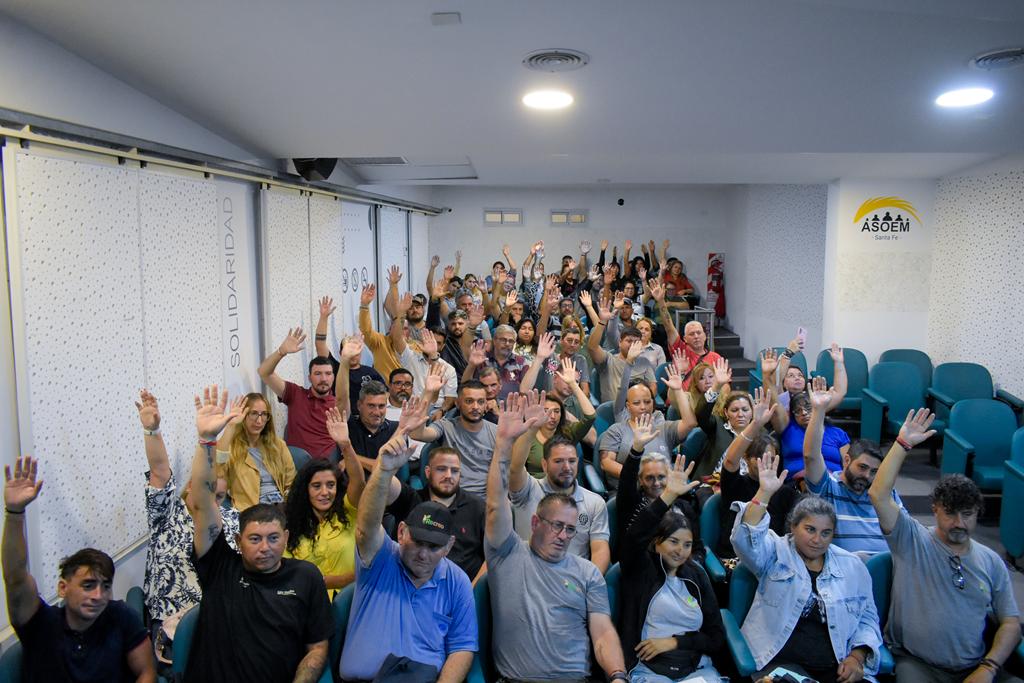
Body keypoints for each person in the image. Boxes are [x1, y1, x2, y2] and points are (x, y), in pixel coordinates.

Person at [187, 384, 333, 683]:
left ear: (287, 539)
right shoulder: (220, 567)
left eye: (273, 538)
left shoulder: (306, 577)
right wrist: (207, 442)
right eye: (254, 539)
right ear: (238, 541)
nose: (265, 547)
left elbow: (317, 648)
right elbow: (202, 502)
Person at [869, 408, 1023, 682]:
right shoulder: (911, 539)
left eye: (967, 515)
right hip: (917, 663)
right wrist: (902, 444)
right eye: (950, 514)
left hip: (976, 666)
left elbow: (1010, 621)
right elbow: (879, 494)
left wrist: (988, 668)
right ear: (935, 510)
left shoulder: (991, 561)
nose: (959, 523)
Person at [484, 393, 628, 682]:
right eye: (556, 526)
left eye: (570, 529)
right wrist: (504, 443)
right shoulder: (507, 554)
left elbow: (603, 633)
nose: (564, 535)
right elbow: (496, 503)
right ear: (535, 522)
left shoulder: (587, 574)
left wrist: (618, 675)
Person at [340, 407, 477, 682]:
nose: (423, 554)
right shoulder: (381, 559)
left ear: (449, 546)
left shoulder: (457, 582)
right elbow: (366, 529)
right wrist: (384, 470)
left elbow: (462, 647)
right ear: (401, 532)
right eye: (417, 542)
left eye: (434, 547)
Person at [731, 451, 883, 683]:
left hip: (835, 666)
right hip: (778, 662)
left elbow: (867, 619)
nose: (817, 540)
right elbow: (745, 539)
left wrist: (856, 657)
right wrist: (764, 493)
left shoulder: (853, 566)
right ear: (793, 527)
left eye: (826, 533)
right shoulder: (775, 552)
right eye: (810, 530)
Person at [3, 456, 156, 683]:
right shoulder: (41, 624)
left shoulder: (121, 617)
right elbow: (15, 577)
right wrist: (15, 514)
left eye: (105, 586)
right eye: (88, 585)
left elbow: (146, 672)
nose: (98, 595)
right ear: (63, 588)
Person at [135, 389, 239, 662]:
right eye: (208, 490)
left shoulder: (232, 519)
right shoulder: (167, 515)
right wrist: (152, 430)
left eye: (220, 497)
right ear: (192, 485)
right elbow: (160, 471)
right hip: (172, 623)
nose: (213, 500)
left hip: (220, 619)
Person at [618, 455, 725, 682]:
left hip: (695, 668)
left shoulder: (696, 575)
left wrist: (676, 642)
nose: (680, 551)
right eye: (673, 542)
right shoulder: (640, 568)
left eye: (687, 545)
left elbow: (716, 637)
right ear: (656, 543)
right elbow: (634, 536)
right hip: (650, 670)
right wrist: (667, 496)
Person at [508, 392, 611, 572]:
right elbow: (515, 468)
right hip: (530, 576)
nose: (566, 467)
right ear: (544, 465)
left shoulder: (595, 503)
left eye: (572, 461)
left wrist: (590, 583)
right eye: (558, 461)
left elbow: (600, 550)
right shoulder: (528, 490)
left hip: (573, 581)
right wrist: (532, 428)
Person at [803, 376, 902, 557]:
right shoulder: (829, 487)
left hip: (888, 566)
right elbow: (811, 456)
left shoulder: (885, 493)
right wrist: (818, 411)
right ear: (846, 460)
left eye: (874, 471)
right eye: (862, 467)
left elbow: (904, 531)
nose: (867, 476)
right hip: (846, 568)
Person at [283, 407, 367, 599]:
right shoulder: (291, 526)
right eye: (316, 486)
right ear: (305, 490)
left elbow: (359, 482)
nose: (324, 492)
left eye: (330, 485)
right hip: (308, 603)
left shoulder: (348, 511)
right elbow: (288, 575)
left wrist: (345, 445)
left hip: (353, 600)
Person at [384, 444, 487, 583]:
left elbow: (493, 555)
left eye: (455, 471)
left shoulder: (478, 507)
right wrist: (387, 468)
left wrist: (472, 590)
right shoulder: (411, 499)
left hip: (457, 590)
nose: (448, 475)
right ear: (427, 472)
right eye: (441, 469)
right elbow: (384, 484)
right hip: (407, 585)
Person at [718, 390, 800, 560]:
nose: (766, 463)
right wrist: (755, 423)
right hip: (736, 558)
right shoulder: (735, 484)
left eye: (771, 458)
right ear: (746, 458)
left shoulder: (785, 492)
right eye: (760, 458)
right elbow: (730, 462)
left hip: (773, 558)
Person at [598, 363, 697, 490]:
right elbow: (606, 463)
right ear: (628, 406)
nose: (643, 407)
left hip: (664, 490)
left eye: (647, 402)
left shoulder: (664, 428)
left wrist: (678, 390)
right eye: (636, 403)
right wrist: (642, 477)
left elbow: (690, 423)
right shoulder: (616, 430)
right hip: (630, 491)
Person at [407, 379, 497, 498]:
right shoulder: (445, 426)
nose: (475, 407)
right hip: (450, 497)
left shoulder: (497, 432)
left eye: (480, 402)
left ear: (486, 404)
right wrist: (428, 392)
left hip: (486, 500)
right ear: (458, 403)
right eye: (469, 401)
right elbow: (417, 434)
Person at [258, 326, 338, 458]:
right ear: (309, 377)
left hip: (327, 466)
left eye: (328, 374)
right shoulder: (295, 394)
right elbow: (264, 372)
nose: (324, 379)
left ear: (333, 377)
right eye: (318, 374)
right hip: (296, 466)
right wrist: (281, 352)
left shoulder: (338, 404)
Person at [216, 392, 296, 510]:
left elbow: (291, 482)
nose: (259, 421)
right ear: (243, 415)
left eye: (264, 414)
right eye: (253, 414)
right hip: (252, 510)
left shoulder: (278, 445)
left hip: (280, 505)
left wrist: (291, 505)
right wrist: (231, 425)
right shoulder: (231, 448)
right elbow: (217, 472)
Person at [520, 357, 596, 475]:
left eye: (575, 381)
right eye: (567, 380)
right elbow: (524, 391)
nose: (552, 416)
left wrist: (565, 414)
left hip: (564, 481)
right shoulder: (539, 401)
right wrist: (540, 357)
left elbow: (592, 437)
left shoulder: (575, 414)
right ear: (555, 379)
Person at [313, 295, 385, 416]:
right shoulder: (334, 369)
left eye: (355, 349)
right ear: (341, 353)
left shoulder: (371, 372)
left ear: (360, 351)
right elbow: (320, 344)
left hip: (368, 418)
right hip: (341, 417)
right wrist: (323, 318)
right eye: (348, 349)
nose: (352, 353)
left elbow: (384, 395)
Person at [583, 290, 658, 402]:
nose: (632, 345)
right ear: (619, 342)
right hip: (614, 409)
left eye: (636, 342)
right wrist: (602, 321)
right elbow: (592, 347)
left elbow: (653, 386)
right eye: (629, 341)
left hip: (639, 408)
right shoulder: (608, 359)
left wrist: (645, 402)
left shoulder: (644, 362)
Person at [464, 324, 530, 400]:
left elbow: (526, 391)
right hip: (482, 404)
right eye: (503, 340)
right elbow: (464, 386)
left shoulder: (521, 362)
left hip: (510, 406)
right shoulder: (481, 358)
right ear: (494, 340)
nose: (507, 344)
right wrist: (471, 365)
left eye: (511, 341)